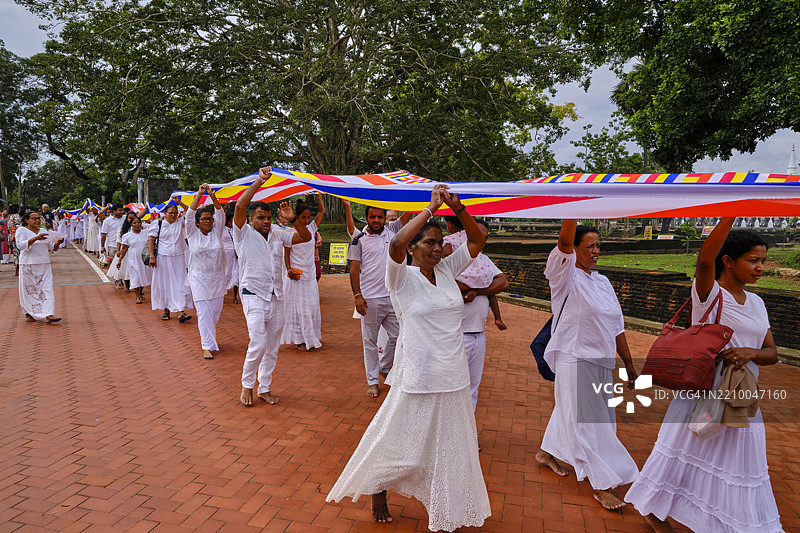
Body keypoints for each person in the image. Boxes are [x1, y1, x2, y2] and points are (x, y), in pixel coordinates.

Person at [327, 184, 490, 531]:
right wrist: (430, 210)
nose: (436, 248)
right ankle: (379, 486)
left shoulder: (447, 270)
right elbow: (396, 243)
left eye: (438, 242)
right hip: (417, 372)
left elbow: (478, 239)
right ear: (414, 249)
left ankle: (447, 508)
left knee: (451, 445)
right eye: (427, 243)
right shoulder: (400, 277)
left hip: (453, 373)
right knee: (399, 439)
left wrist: (457, 208)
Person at [625, 218, 783, 533]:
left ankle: (727, 524)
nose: (760, 268)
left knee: (739, 465)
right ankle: (654, 510)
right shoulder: (709, 296)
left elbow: (772, 353)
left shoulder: (757, 303)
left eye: (763, 261)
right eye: (753, 260)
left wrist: (750, 353)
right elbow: (703, 259)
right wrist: (730, 211)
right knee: (680, 456)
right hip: (705, 393)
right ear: (728, 261)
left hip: (741, 396)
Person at [535, 220, 639, 510]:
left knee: (588, 415)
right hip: (574, 356)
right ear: (574, 250)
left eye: (598, 245)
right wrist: (573, 209)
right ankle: (601, 483)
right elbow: (564, 244)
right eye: (589, 246)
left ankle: (546, 453)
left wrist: (628, 363)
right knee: (585, 422)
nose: (595, 251)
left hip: (602, 360)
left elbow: (617, 326)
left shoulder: (602, 282)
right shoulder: (564, 276)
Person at [234, 166, 312, 406]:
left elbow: (305, 237)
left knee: (271, 346)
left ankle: (264, 387)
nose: (266, 221)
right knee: (257, 342)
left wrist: (293, 221)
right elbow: (238, 206)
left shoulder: (279, 233)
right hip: (253, 294)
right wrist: (260, 181)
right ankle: (247, 385)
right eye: (261, 217)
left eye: (268, 217)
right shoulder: (242, 233)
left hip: (277, 296)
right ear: (251, 220)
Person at [345, 199, 411, 397]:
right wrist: (357, 295)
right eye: (372, 216)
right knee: (370, 342)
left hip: (393, 296)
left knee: (400, 336)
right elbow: (354, 269)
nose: (376, 220)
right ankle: (373, 381)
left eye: (379, 217)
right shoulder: (359, 239)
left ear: (384, 218)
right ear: (366, 218)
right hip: (369, 299)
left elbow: (408, 211)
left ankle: (385, 366)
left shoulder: (393, 230)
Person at [442, 217, 509, 411]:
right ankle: (448, 432)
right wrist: (478, 285)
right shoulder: (452, 258)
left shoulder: (483, 261)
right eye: (475, 235)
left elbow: (503, 283)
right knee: (452, 386)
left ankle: (466, 432)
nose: (480, 240)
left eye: (484, 237)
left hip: (478, 334)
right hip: (455, 335)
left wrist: (477, 291)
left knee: (472, 387)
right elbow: (444, 281)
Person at [185, 184, 227, 360]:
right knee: (203, 312)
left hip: (217, 279)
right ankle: (207, 346)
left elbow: (221, 214)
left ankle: (209, 336)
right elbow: (188, 215)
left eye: (210, 219)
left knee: (215, 311)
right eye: (204, 219)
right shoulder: (192, 234)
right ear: (197, 222)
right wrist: (200, 194)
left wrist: (212, 197)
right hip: (198, 279)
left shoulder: (217, 232)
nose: (208, 221)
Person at [281, 195, 325, 351]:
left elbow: (322, 211)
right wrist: (288, 270)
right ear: (296, 217)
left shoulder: (312, 228)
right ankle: (299, 340)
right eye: (303, 217)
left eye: (308, 217)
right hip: (296, 276)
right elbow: (286, 254)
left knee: (311, 307)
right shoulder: (290, 233)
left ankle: (310, 335)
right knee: (297, 309)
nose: (306, 220)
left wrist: (319, 196)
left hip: (310, 275)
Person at [15, 210, 64, 323]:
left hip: (44, 263)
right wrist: (36, 238)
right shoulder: (21, 230)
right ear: (27, 220)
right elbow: (20, 246)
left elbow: (52, 247)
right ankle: (28, 312)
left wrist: (58, 242)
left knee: (47, 288)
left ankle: (48, 313)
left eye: (39, 218)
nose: (38, 220)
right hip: (28, 264)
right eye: (34, 218)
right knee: (29, 291)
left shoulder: (43, 231)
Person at [147, 204, 193, 322]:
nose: (173, 215)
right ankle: (166, 310)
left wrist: (181, 203)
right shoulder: (158, 224)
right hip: (163, 258)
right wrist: (152, 256)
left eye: (175, 212)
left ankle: (181, 311)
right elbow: (151, 241)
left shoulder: (180, 222)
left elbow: (191, 212)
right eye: (170, 212)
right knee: (165, 284)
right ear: (164, 213)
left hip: (178, 258)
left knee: (181, 284)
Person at [117, 215, 152, 304]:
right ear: (131, 224)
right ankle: (137, 296)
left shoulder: (146, 233)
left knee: (143, 276)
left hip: (144, 259)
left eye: (138, 222)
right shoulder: (127, 236)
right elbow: (124, 248)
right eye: (134, 223)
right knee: (135, 277)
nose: (137, 225)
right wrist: (120, 259)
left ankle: (140, 293)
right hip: (133, 259)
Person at [101, 204, 125, 286]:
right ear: (114, 211)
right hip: (112, 246)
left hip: (124, 246)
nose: (121, 212)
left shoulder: (125, 218)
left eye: (122, 210)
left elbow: (137, 216)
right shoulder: (107, 221)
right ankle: (117, 281)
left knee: (123, 263)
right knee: (115, 264)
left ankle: (122, 279)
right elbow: (103, 235)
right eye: (119, 210)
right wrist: (102, 246)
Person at [222, 207, 240, 304]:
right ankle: (219, 293)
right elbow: (219, 215)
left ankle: (235, 296)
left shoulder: (236, 230)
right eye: (230, 221)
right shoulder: (222, 229)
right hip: (225, 256)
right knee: (225, 274)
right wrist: (226, 205)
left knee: (237, 275)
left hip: (236, 256)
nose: (232, 223)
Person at [7, 204, 22, 275]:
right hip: (18, 236)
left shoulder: (9, 217)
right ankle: (19, 268)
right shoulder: (17, 217)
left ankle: (16, 268)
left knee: (15, 253)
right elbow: (19, 227)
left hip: (12, 236)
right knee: (20, 252)